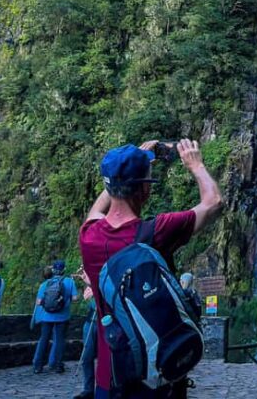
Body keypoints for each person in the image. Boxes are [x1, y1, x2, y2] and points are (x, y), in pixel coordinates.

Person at [79, 139, 223, 399]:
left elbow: (96, 211)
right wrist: (196, 164)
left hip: (110, 378)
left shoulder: (88, 237)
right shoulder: (157, 231)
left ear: (108, 186)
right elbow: (213, 202)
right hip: (159, 375)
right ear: (145, 190)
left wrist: (120, 174)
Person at [33, 260, 78, 374]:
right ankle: (58, 365)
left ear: (53, 270)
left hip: (46, 316)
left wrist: (47, 303)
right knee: (59, 340)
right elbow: (75, 299)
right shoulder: (69, 282)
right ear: (64, 270)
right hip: (62, 316)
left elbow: (38, 302)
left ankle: (38, 366)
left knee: (44, 339)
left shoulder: (45, 284)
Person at [74, 268, 96, 399]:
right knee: (87, 357)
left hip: (104, 322)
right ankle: (88, 389)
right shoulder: (88, 287)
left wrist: (94, 289)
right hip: (90, 321)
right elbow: (86, 304)